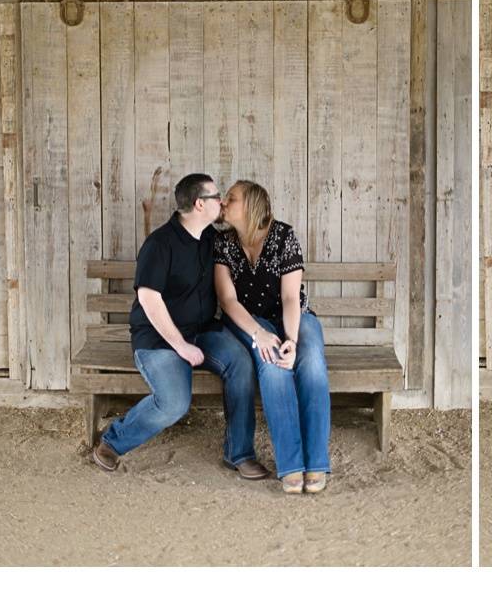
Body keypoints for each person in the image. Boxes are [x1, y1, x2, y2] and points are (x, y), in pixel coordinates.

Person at [92, 173, 269, 481]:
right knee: (174, 402)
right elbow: (148, 299)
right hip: (159, 339)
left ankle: (239, 454)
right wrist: (181, 346)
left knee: (241, 362)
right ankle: (112, 442)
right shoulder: (160, 244)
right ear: (200, 204)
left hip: (202, 330)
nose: (222, 201)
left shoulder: (212, 239)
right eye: (217, 197)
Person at [214, 180, 332, 494]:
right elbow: (228, 301)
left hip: (294, 317)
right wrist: (259, 334)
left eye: (231, 198)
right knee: (272, 364)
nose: (223, 203)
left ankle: (316, 462)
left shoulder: (284, 237)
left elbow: (292, 298)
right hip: (248, 320)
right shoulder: (223, 243)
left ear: (251, 206)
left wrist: (290, 339)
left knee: (312, 365)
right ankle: (292, 465)